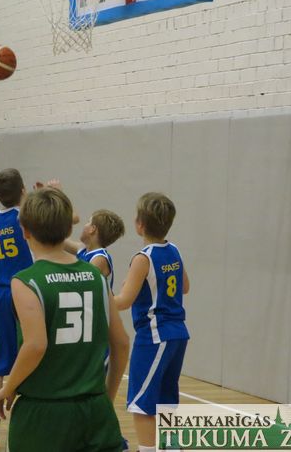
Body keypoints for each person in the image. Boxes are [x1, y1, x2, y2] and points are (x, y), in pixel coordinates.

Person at [0, 187, 130, 452]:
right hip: (95, 410)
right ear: (69, 229)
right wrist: (106, 397)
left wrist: (8, 388)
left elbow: (36, 345)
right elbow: (122, 343)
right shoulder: (97, 277)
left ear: (25, 231)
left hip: (43, 413)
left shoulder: (26, 281)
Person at [114, 192, 190, 452]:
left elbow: (123, 301)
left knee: (142, 401)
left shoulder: (143, 258)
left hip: (154, 336)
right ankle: (171, 447)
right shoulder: (174, 250)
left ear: (140, 224)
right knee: (166, 397)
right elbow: (185, 287)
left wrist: (99, 294)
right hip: (178, 334)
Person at [0, 168, 33, 450]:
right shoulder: (27, 217)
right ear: (23, 191)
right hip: (28, 290)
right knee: (36, 351)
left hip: (2, 292)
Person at [65, 209, 125, 293]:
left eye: (88, 222)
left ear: (92, 229)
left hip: (99, 301)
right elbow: (60, 241)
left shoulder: (99, 258)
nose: (84, 225)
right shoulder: (84, 249)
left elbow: (80, 283)